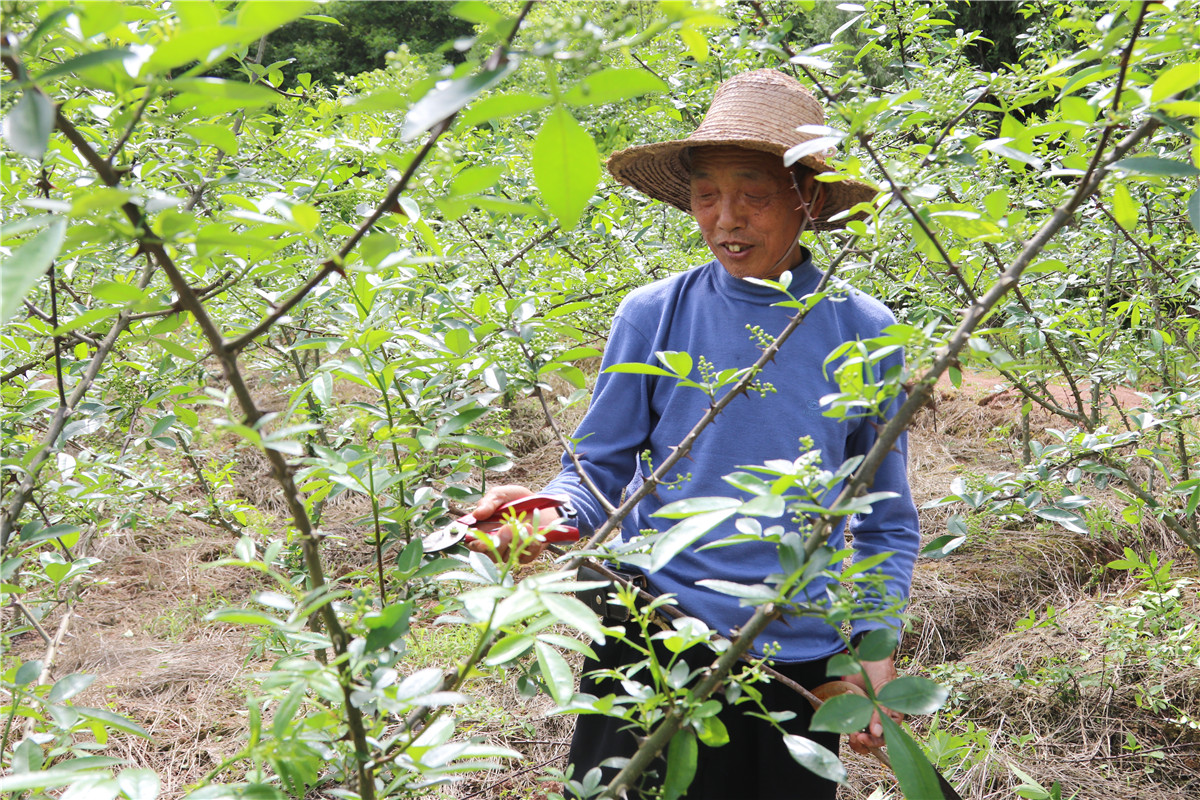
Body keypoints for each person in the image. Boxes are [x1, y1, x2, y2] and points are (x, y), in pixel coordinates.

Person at [469, 69, 921, 799]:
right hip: (656, 636)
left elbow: (884, 518)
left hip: (797, 656)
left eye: (752, 193)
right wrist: (545, 516)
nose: (725, 218)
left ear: (805, 198)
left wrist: (873, 651)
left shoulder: (864, 332)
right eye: (707, 195)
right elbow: (595, 469)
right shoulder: (654, 313)